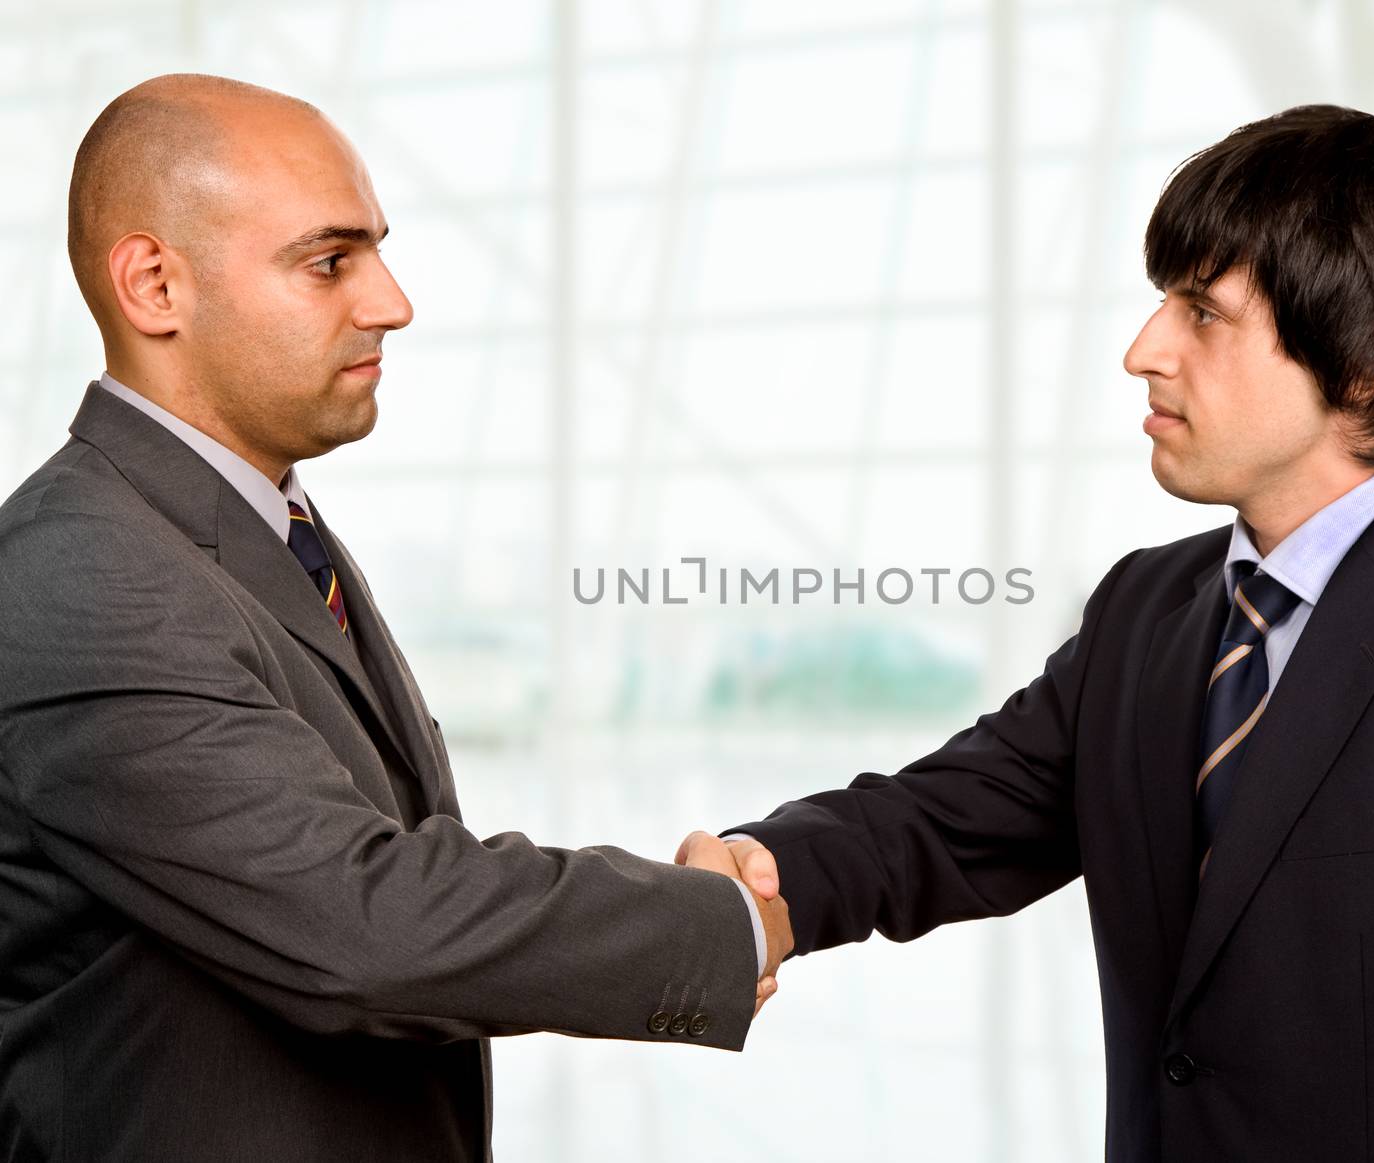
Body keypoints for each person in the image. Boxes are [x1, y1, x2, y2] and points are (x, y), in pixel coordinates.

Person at [680, 104, 1374, 1160]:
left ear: (1371, 365)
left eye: (1201, 312)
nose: (1141, 350)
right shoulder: (1145, 612)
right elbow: (953, 818)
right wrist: (755, 884)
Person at [0, 74, 791, 1160]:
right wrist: (713, 920)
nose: (391, 301)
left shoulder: (263, 525)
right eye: (329, 262)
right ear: (153, 285)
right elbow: (362, 919)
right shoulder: (81, 564)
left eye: (375, 249)